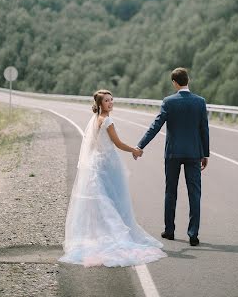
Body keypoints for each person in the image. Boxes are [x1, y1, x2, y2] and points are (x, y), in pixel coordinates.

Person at [58, 89, 166, 267]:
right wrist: (135, 150)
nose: (111, 103)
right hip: (107, 165)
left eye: (111, 100)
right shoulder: (107, 120)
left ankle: (101, 235)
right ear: (100, 104)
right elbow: (117, 143)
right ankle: (114, 236)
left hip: (97, 162)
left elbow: (93, 144)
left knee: (103, 200)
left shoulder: (95, 120)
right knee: (112, 200)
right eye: (107, 101)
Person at [136, 68, 209, 246]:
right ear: (188, 80)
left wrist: (140, 145)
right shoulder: (200, 102)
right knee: (195, 194)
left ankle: (169, 231)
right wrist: (205, 153)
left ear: (174, 83)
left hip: (173, 154)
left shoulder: (168, 102)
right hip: (193, 154)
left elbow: (156, 126)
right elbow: (203, 129)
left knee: (171, 192)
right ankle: (193, 234)